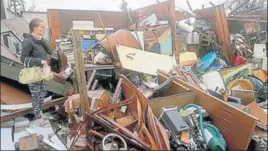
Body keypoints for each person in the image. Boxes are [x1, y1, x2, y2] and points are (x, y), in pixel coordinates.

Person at [20, 18, 53, 123]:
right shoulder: (28, 41)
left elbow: (50, 51)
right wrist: (40, 61)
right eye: (42, 27)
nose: (44, 29)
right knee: (36, 96)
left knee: (42, 94)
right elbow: (23, 58)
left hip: (42, 73)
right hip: (34, 74)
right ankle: (38, 118)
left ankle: (41, 115)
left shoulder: (39, 41)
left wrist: (42, 39)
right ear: (34, 28)